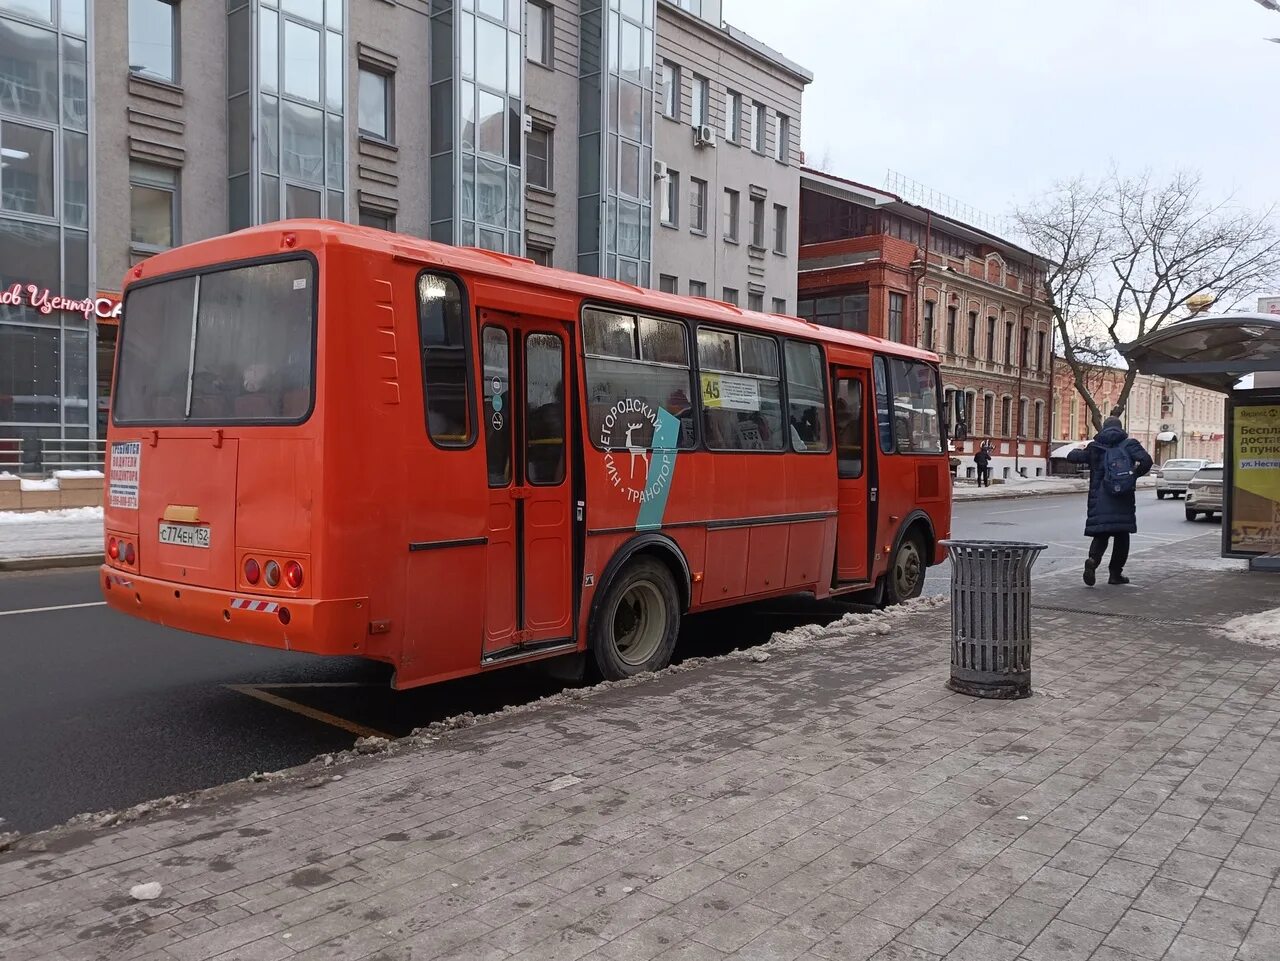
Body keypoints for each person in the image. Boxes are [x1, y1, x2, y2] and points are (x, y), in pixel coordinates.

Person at [1067, 415, 1153, 586]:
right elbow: (1146, 461)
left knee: (1101, 534)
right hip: (1122, 497)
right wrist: (1133, 476)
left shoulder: (1095, 447)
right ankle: (1115, 574)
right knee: (1122, 538)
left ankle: (1093, 560)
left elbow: (1071, 457)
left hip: (1099, 499)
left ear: (1103, 429)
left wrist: (1080, 449)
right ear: (1120, 428)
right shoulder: (1129, 444)